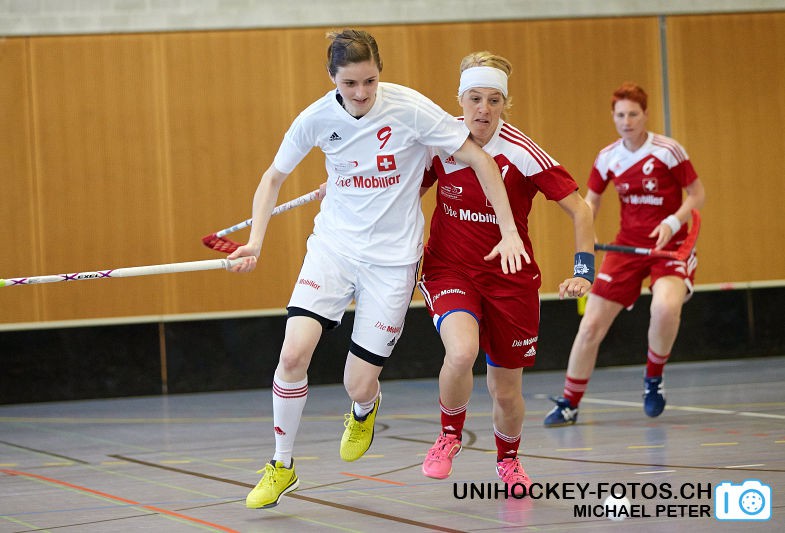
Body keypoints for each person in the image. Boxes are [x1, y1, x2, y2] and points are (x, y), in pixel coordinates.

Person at [227, 30, 527, 509]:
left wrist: (510, 232)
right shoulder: (316, 118)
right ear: (332, 79)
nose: (362, 93)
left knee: (357, 382)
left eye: (369, 81)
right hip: (334, 248)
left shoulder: (410, 108)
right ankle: (282, 465)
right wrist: (256, 241)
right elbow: (272, 178)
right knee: (292, 353)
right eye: (350, 84)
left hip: (392, 262)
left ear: (380, 74)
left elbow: (480, 160)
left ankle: (364, 407)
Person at [417, 51, 595, 489]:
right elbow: (396, 193)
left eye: (494, 100)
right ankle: (449, 436)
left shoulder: (521, 150)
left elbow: (581, 210)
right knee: (460, 352)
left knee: (505, 390)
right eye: (475, 98)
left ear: (504, 104)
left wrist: (584, 272)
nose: (484, 109)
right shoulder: (441, 143)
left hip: (511, 280)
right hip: (450, 270)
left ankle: (509, 461)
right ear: (460, 100)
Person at [544, 82, 706, 427]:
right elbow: (592, 200)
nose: (627, 121)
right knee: (591, 325)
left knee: (665, 307)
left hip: (668, 246)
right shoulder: (608, 157)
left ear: (645, 115)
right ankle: (569, 403)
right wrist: (588, 227)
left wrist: (672, 221)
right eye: (620, 115)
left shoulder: (668, 150)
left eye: (633, 114)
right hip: (626, 246)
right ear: (613, 117)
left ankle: (653, 380)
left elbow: (696, 194)